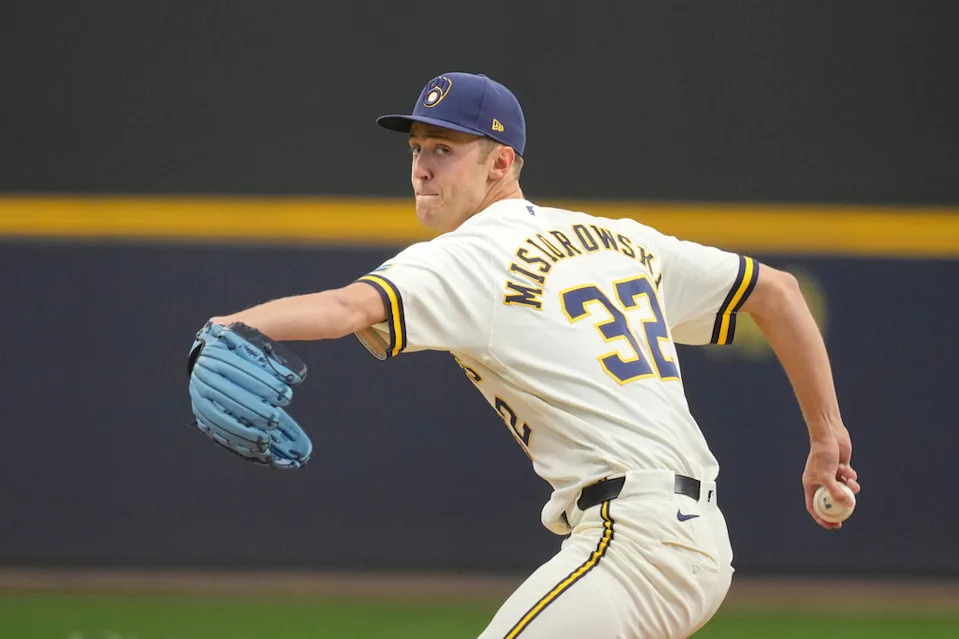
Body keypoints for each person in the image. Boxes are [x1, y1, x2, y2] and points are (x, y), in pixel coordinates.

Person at [200, 72, 859, 638]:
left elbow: (347, 309)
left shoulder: (470, 254)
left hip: (634, 541)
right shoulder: (614, 238)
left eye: (445, 148)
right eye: (417, 148)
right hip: (693, 536)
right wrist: (825, 435)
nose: (421, 167)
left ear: (501, 163)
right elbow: (776, 293)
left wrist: (227, 324)